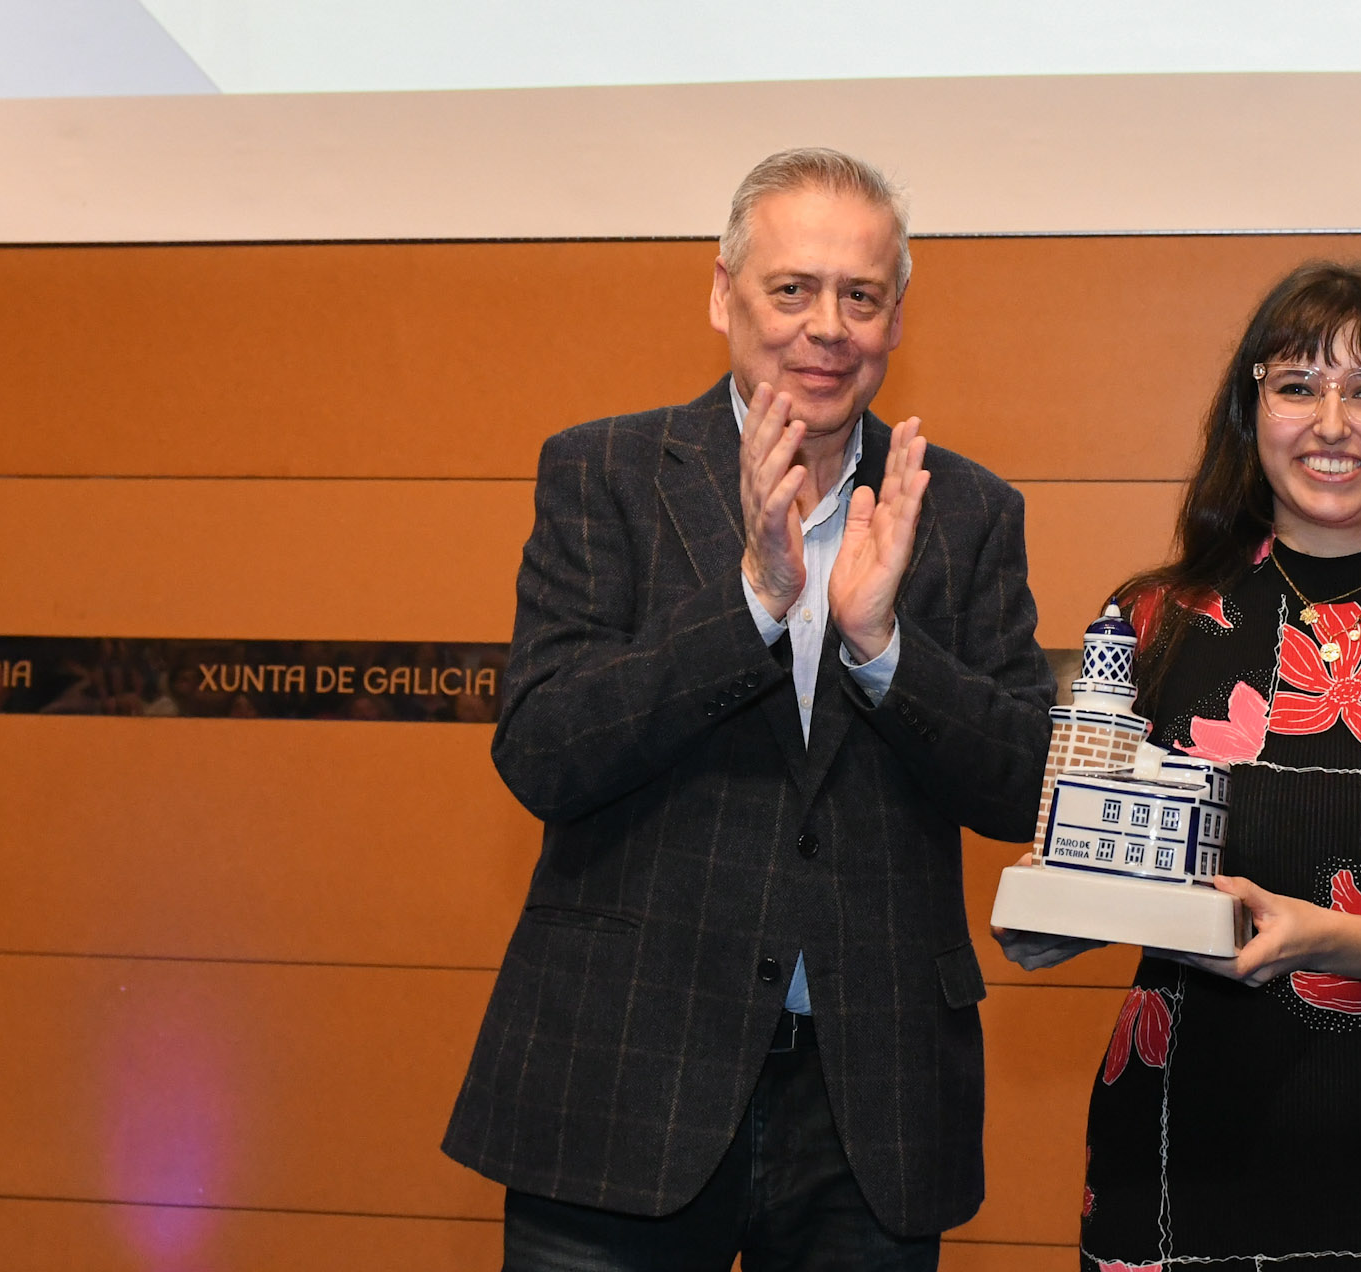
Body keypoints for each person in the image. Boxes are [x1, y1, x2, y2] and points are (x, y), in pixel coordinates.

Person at [446, 147, 1056, 1270]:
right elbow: (545, 748)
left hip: (872, 1098)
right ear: (724, 294)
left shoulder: (965, 509)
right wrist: (752, 602)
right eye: (792, 288)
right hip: (626, 1071)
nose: (827, 327)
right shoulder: (606, 474)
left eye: (860, 295)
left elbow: (1025, 784)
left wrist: (883, 648)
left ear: (896, 318)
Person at [1003, 260, 1361, 1272]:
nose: (1331, 422)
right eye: (1296, 385)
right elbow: (1089, 869)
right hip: (1177, 1166)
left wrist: (1320, 934)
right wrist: (1053, 911)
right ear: (1251, 412)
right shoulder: (1151, 624)